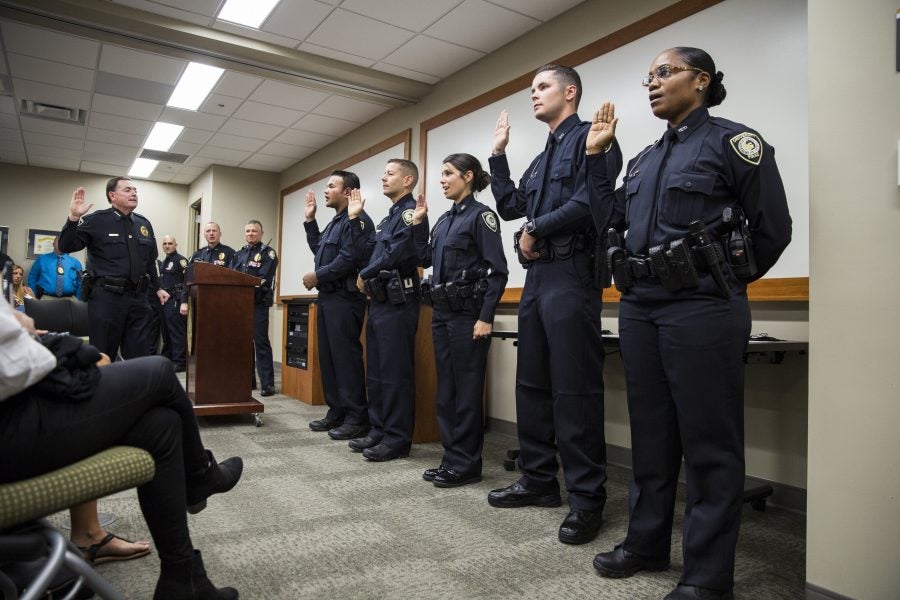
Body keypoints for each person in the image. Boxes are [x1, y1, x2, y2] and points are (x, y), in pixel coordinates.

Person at [587, 48, 792, 600]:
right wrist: (596, 159)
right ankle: (646, 543)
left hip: (702, 307)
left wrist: (720, 282)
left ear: (700, 80)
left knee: (709, 443)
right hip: (640, 307)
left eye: (663, 73)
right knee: (651, 434)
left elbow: (773, 228)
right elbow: (613, 225)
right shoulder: (644, 160)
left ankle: (705, 576)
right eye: (647, 77)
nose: (651, 84)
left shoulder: (733, 142)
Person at [0, 298, 244, 599]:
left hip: (14, 407)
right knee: (161, 371)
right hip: (10, 423)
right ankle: (201, 476)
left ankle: (181, 579)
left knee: (162, 424)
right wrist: (22, 327)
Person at [486, 64, 622, 546]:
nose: (534, 96)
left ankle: (587, 500)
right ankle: (540, 481)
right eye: (531, 90)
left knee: (575, 390)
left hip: (572, 275)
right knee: (533, 384)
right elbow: (510, 206)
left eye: (542, 87)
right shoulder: (542, 157)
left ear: (570, 92)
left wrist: (536, 228)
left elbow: (592, 203)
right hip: (538, 279)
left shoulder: (595, 138)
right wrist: (498, 156)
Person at [412, 153, 508, 487]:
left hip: (469, 317)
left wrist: (486, 317)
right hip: (442, 315)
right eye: (441, 173)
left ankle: (467, 464)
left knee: (466, 393)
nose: (441, 179)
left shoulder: (482, 218)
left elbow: (499, 272)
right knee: (447, 392)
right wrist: (419, 223)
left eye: (448, 173)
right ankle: (451, 458)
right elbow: (423, 258)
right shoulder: (442, 221)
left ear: (468, 176)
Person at [348, 159, 428, 462]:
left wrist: (365, 273)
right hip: (380, 301)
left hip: (399, 301)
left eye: (390, 173)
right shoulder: (388, 217)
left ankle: (397, 438)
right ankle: (379, 429)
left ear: (407, 181)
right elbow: (368, 250)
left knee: (395, 373)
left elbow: (397, 253)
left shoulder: (410, 213)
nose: (383, 177)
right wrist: (356, 220)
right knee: (378, 372)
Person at [58, 178, 169, 360]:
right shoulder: (97, 221)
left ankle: (134, 389)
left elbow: (150, 262)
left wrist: (159, 287)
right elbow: (65, 245)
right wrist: (73, 218)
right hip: (107, 299)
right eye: (127, 190)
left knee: (139, 356)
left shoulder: (143, 224)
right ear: (112, 195)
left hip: (138, 300)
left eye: (135, 190)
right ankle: (102, 388)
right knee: (103, 355)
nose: (133, 193)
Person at [302, 170, 375, 439]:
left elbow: (349, 258)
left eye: (331, 186)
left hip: (346, 299)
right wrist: (310, 221)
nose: (325, 191)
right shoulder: (335, 222)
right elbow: (320, 250)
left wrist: (317, 276)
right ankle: (337, 412)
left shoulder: (358, 221)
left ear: (347, 192)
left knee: (345, 359)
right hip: (329, 298)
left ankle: (357, 417)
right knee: (330, 359)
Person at [229, 220, 278, 397]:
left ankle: (267, 384)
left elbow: (263, 280)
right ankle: (247, 380)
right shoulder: (239, 254)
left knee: (260, 342)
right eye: (248, 231)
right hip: (240, 305)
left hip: (258, 304)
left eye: (254, 231)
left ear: (261, 234)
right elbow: (230, 276)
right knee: (243, 343)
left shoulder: (268, 253)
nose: (250, 233)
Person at [158, 236, 188, 371]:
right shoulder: (164, 262)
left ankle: (180, 362)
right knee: (167, 332)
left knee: (176, 333)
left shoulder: (180, 260)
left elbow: (187, 282)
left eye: (170, 243)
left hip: (176, 300)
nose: (167, 246)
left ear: (176, 245)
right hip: (165, 301)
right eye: (165, 244)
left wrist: (183, 301)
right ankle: (168, 358)